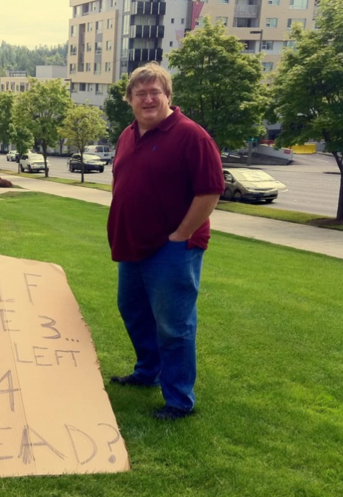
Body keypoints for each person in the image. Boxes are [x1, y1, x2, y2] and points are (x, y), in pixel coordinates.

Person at [106, 63, 224, 421]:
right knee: (134, 311)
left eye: (155, 91)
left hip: (172, 249)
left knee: (174, 325)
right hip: (132, 246)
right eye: (140, 93)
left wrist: (180, 235)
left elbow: (210, 192)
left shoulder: (192, 136)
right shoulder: (128, 134)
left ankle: (178, 400)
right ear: (130, 100)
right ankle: (147, 372)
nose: (148, 99)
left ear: (168, 96)